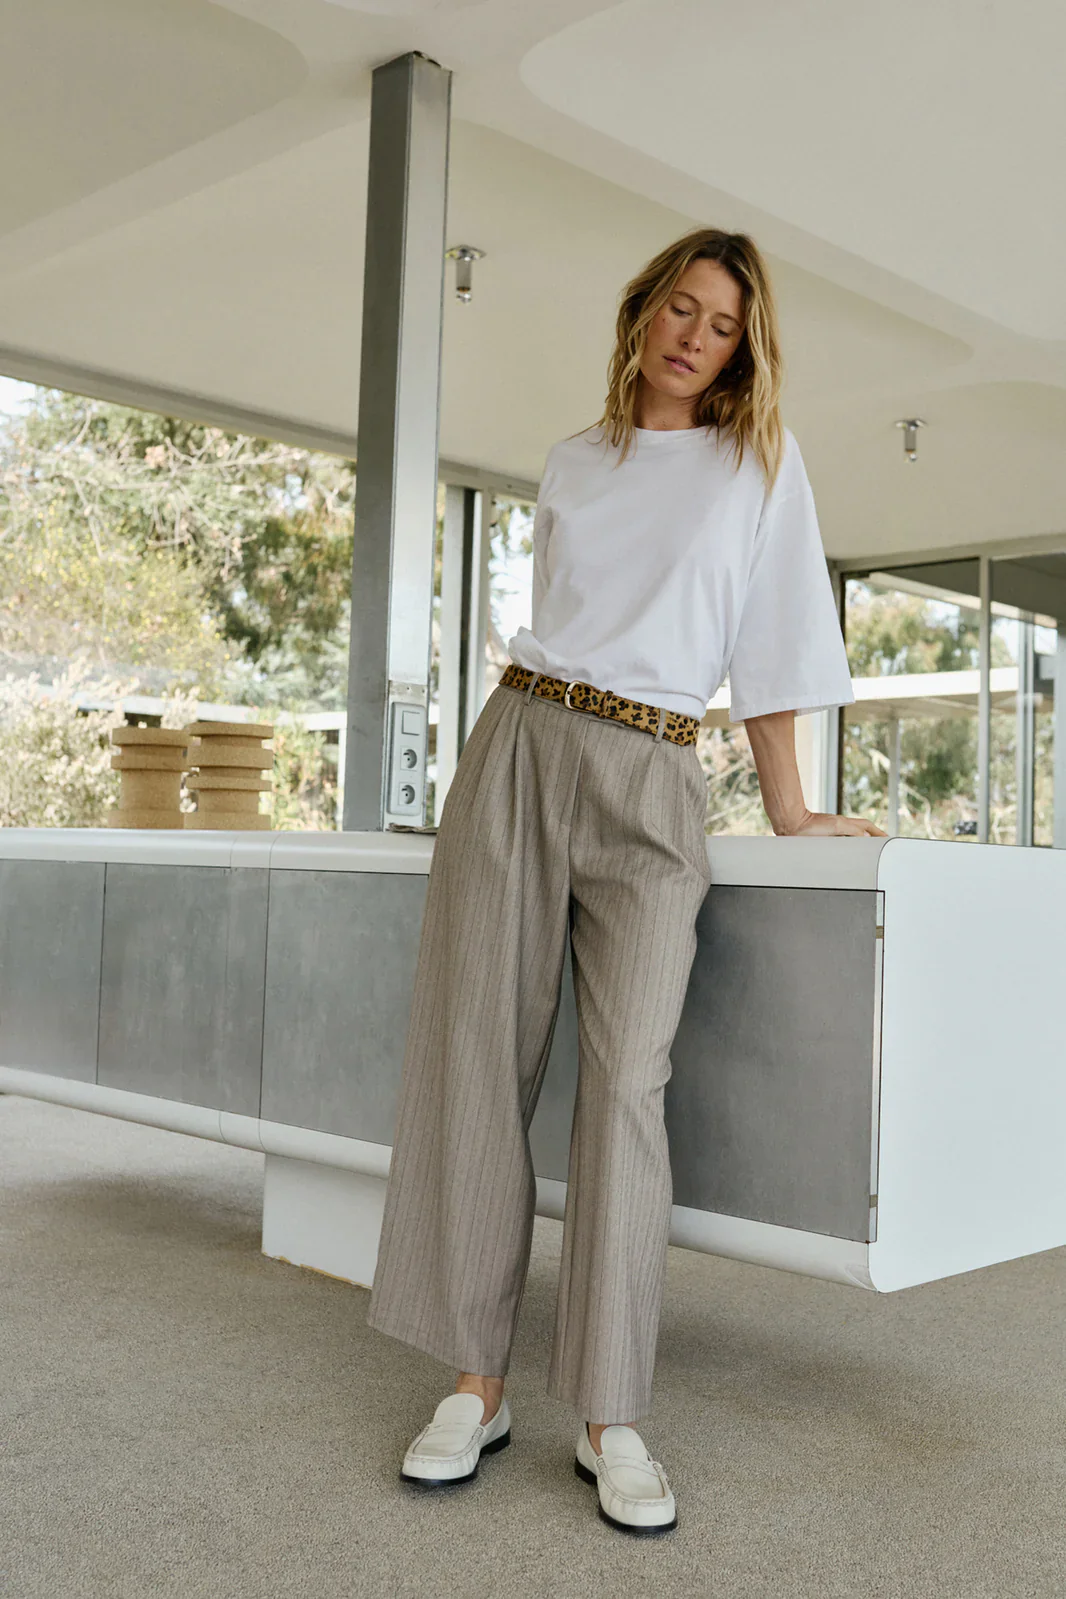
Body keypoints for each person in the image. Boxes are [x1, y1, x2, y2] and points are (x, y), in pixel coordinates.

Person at [366, 225, 887, 1535]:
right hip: (522, 743)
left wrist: (789, 806)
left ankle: (609, 1411)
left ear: (741, 351)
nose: (694, 336)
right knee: (477, 1054)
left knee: (628, 1084)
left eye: (722, 324)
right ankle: (476, 1380)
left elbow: (774, 635)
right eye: (680, 308)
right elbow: (572, 619)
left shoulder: (756, 463)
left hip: (656, 772)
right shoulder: (573, 462)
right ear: (643, 311)